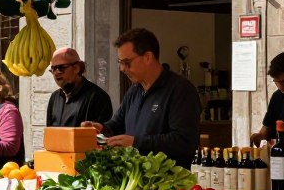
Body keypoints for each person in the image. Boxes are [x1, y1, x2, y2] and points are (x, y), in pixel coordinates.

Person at [82, 28, 200, 168]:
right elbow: (117, 124)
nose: (122, 68)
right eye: (119, 62)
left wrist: (136, 143)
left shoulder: (180, 90)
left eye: (126, 62)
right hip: (136, 178)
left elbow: (183, 141)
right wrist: (100, 128)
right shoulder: (134, 90)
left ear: (148, 57)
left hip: (169, 182)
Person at [45, 47, 113, 129]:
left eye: (61, 68)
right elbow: (50, 132)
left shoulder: (98, 97)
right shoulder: (55, 97)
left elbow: (102, 135)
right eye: (53, 69)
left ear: (76, 68)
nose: (56, 73)